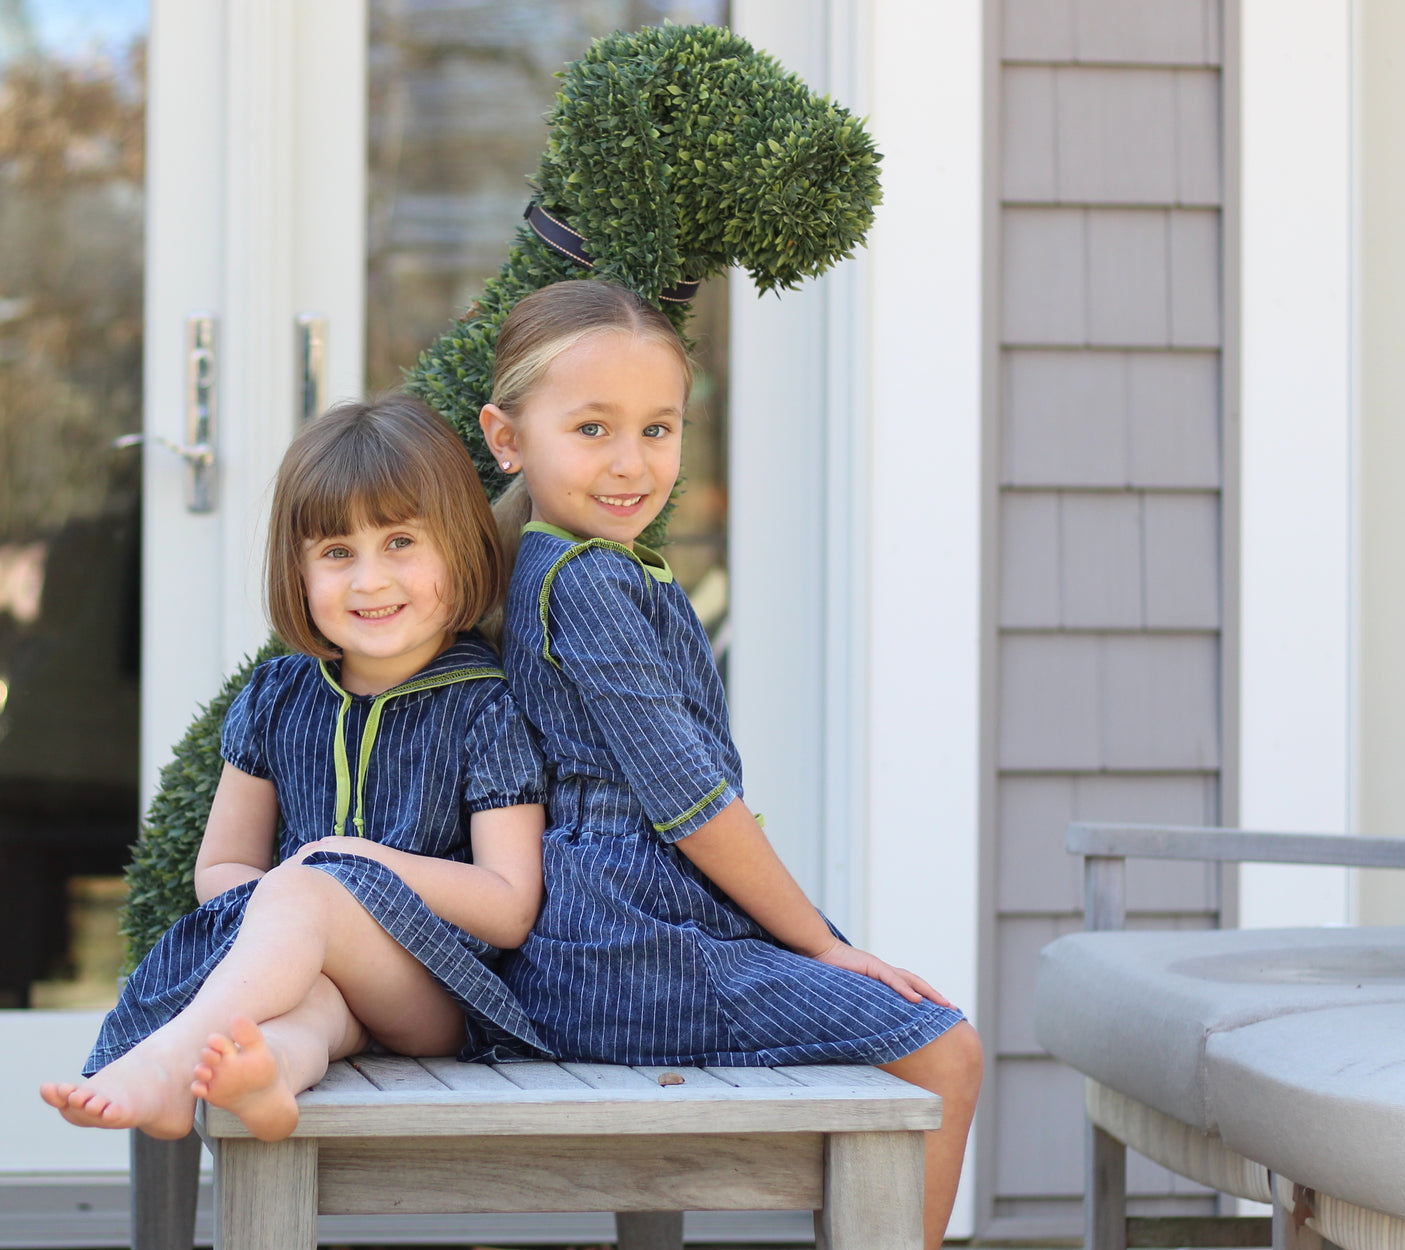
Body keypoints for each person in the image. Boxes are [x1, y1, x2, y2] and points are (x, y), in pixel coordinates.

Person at [478, 279, 985, 1249]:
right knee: (940, 1047)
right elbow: (694, 803)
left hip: (630, 934)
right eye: (591, 428)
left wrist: (818, 944)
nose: (631, 463)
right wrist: (826, 946)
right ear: (508, 438)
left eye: (657, 429)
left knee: (913, 1036)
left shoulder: (582, 564)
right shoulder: (582, 582)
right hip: (623, 947)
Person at [40, 394, 549, 1143]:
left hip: (436, 994)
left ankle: (165, 1064)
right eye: (338, 553)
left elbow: (509, 905)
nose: (370, 581)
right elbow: (223, 864)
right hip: (322, 981)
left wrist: (343, 871)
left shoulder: (484, 704)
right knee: (300, 1016)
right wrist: (284, 914)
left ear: (462, 546)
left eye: (401, 542)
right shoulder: (277, 697)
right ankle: (267, 1079)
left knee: (310, 892)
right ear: (298, 570)